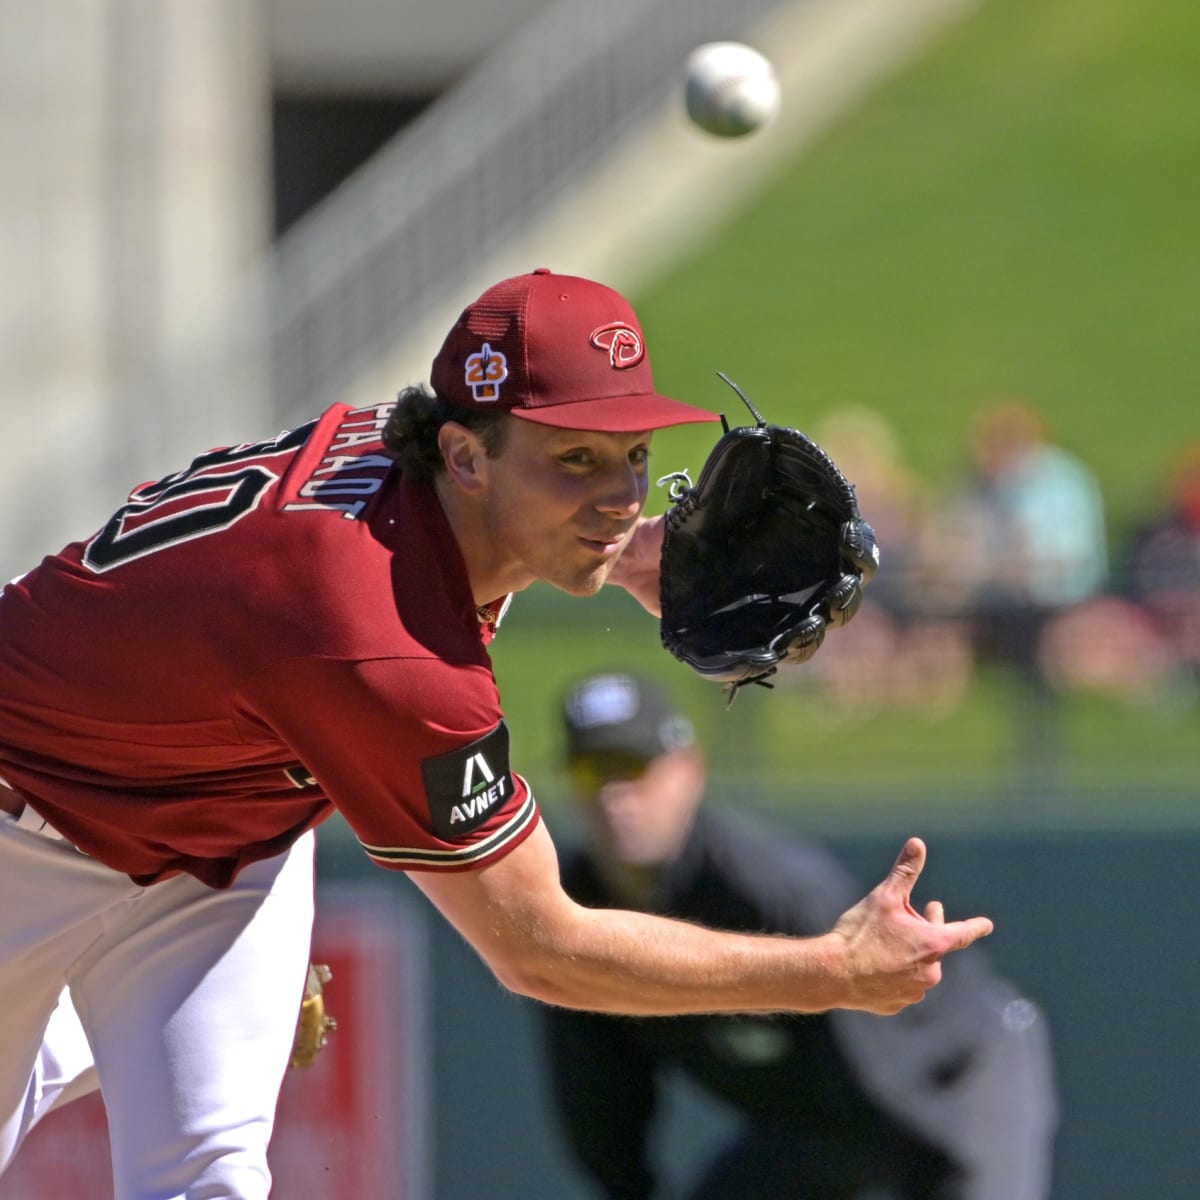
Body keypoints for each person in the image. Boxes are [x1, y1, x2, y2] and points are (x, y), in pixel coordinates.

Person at [0, 268, 994, 1199]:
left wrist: (622, 558)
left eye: (634, 457)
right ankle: (70, 1038)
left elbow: (405, 574)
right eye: (575, 459)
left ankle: (91, 1027)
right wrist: (832, 972)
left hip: (218, 829)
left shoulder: (403, 462)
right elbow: (544, 950)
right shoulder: (384, 648)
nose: (617, 498)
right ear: (465, 454)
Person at [542, 671, 1058, 1200]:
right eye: (591, 771)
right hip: (814, 1117)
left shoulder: (766, 887)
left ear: (689, 771)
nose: (614, 795)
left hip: (950, 1077)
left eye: (633, 767)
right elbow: (598, 1099)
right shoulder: (575, 910)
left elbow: (884, 1076)